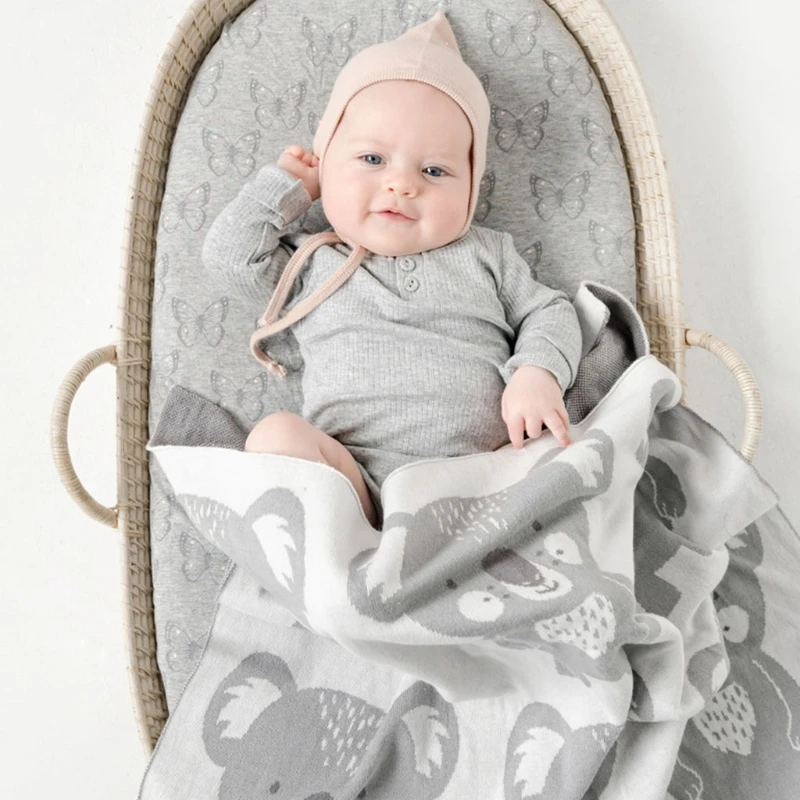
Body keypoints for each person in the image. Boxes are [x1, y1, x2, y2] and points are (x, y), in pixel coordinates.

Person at [202, 13, 582, 528]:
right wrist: (288, 187)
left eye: (434, 170)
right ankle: (357, 555)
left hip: (486, 482)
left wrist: (537, 373)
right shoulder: (312, 263)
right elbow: (228, 257)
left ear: (471, 188)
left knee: (574, 452)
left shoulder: (486, 253)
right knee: (274, 437)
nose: (402, 184)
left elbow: (550, 310)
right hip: (355, 484)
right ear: (326, 162)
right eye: (372, 159)